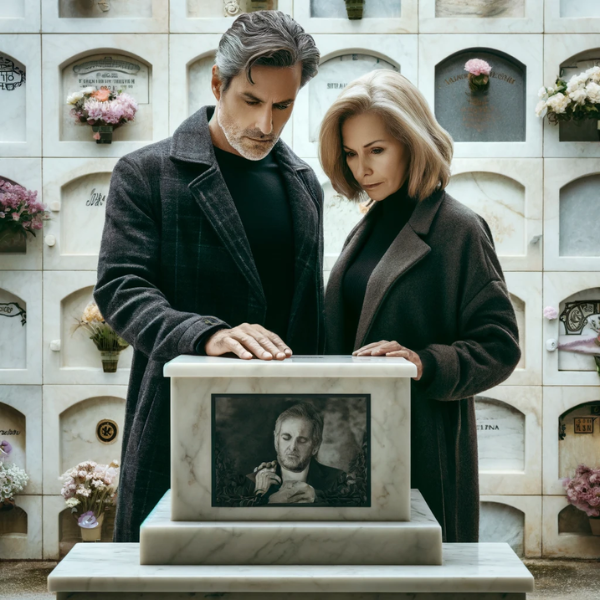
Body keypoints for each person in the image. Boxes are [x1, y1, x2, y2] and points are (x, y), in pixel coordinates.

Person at [94, 11, 324, 542]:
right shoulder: (146, 172)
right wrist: (208, 334)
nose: (266, 124)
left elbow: (305, 309)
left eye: (282, 106)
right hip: (181, 418)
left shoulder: (303, 183)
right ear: (218, 84)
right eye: (251, 101)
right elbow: (121, 288)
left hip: (284, 430)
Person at [319, 70, 521, 542]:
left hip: (422, 441)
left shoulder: (460, 228)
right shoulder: (367, 226)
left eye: (376, 150)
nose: (361, 169)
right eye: (350, 153)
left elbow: (499, 345)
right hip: (349, 441)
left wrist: (424, 362)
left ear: (412, 142)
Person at [245, 403, 349, 504]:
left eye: (302, 440)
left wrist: (316, 499)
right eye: (286, 438)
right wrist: (262, 499)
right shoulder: (251, 483)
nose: (292, 447)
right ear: (276, 441)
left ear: (315, 447)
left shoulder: (337, 480)